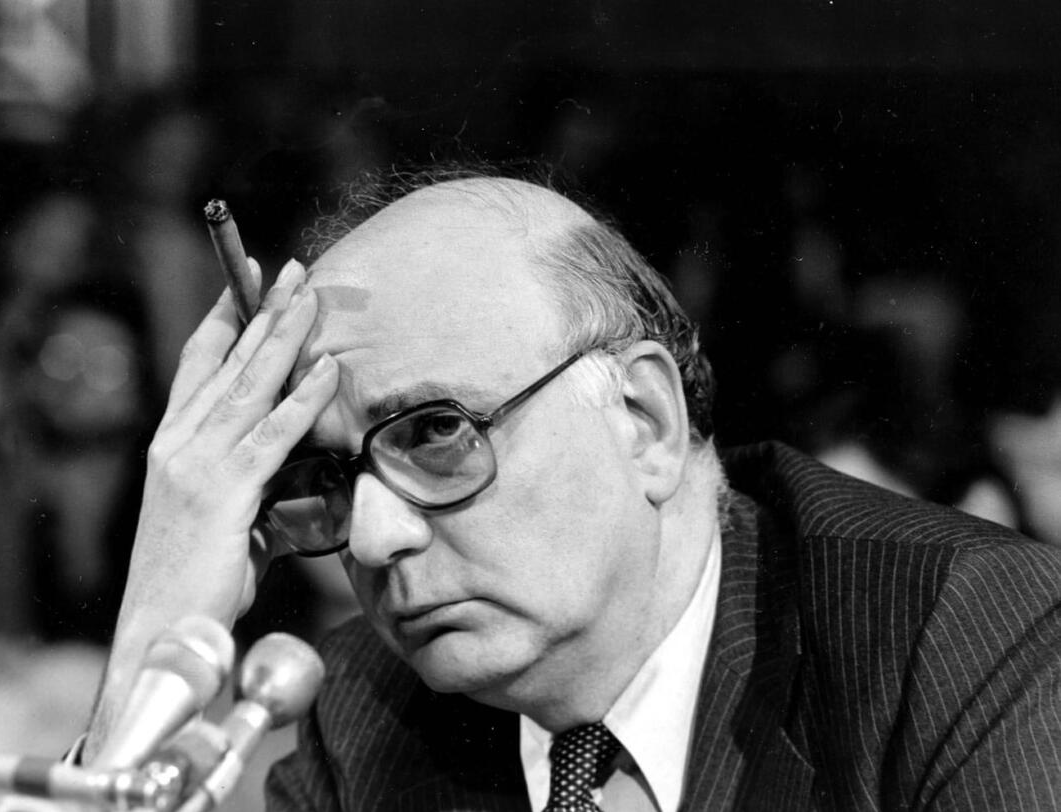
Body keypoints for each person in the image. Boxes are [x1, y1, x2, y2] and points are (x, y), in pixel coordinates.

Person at [83, 168, 1061, 810]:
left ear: (642, 418)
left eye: (435, 433)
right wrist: (156, 633)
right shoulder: (365, 711)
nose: (372, 541)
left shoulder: (964, 631)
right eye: (332, 478)